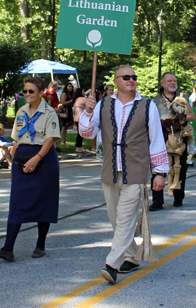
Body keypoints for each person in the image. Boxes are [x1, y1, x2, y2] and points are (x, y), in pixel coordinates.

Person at [79, 66, 168, 284]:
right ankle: (131, 256)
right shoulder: (103, 104)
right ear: (116, 81)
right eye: (126, 77)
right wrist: (88, 112)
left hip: (136, 170)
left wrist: (159, 173)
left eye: (134, 77)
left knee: (126, 218)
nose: (131, 80)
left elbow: (156, 139)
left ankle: (112, 264)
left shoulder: (147, 106)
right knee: (116, 219)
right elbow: (87, 133)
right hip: (110, 169)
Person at [0, 77, 61, 261]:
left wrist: (37, 158)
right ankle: (8, 248)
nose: (27, 94)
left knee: (44, 201)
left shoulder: (49, 112)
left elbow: (50, 139)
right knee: (17, 201)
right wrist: (13, 165)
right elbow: (15, 139)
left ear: (41, 92)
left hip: (44, 158)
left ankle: (40, 244)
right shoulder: (21, 111)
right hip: (22, 157)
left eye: (31, 91)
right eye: (25, 91)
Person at [152, 72, 195, 209]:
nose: (172, 83)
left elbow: (192, 116)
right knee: (157, 167)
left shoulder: (183, 97)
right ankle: (157, 201)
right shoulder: (155, 100)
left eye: (174, 80)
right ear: (162, 83)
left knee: (179, 167)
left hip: (179, 136)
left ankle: (178, 198)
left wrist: (180, 119)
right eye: (169, 80)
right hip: (161, 135)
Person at [43, 81, 62, 152]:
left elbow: (56, 103)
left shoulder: (55, 94)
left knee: (58, 129)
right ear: (52, 86)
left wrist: (58, 106)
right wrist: (54, 107)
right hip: (50, 115)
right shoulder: (46, 94)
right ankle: (50, 146)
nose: (57, 88)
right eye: (56, 86)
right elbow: (46, 106)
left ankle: (56, 146)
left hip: (57, 114)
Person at [59, 82, 75, 147]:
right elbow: (63, 102)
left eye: (71, 86)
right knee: (64, 126)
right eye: (69, 86)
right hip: (65, 110)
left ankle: (64, 141)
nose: (70, 88)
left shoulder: (70, 94)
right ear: (66, 87)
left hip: (69, 110)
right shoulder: (64, 94)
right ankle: (62, 141)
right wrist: (71, 101)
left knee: (66, 126)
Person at [72, 88, 87, 153]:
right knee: (81, 133)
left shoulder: (76, 100)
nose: (84, 92)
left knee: (80, 133)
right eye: (83, 91)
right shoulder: (82, 99)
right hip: (81, 118)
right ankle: (78, 147)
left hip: (77, 118)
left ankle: (79, 146)